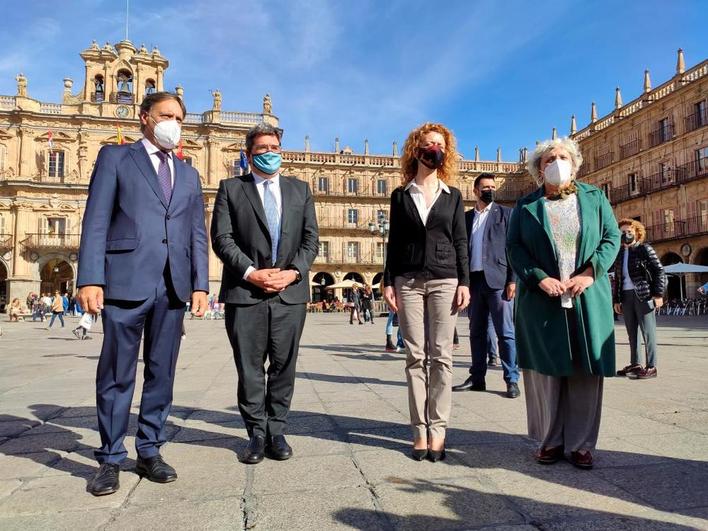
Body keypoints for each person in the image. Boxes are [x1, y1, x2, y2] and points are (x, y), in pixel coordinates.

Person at [77, 91, 209, 496]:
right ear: (145, 118)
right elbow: (96, 218)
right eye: (166, 115)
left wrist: (201, 284)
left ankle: (149, 448)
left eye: (179, 118)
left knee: (162, 373)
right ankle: (111, 458)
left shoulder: (189, 173)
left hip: (172, 286)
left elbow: (195, 233)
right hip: (125, 280)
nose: (174, 122)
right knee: (117, 374)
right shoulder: (116, 158)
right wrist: (89, 277)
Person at [507, 137, 620, 470]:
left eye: (562, 157)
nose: (556, 163)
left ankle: (582, 445)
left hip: (587, 294)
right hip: (542, 298)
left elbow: (611, 238)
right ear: (538, 170)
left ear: (574, 162)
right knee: (547, 370)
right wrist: (539, 277)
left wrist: (589, 273)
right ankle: (550, 441)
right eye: (548, 159)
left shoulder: (595, 198)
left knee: (586, 367)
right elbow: (514, 248)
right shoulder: (525, 206)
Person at [211, 122, 318, 465]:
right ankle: (256, 432)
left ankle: (278, 430)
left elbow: (310, 239)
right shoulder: (231, 189)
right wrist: (251, 273)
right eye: (262, 149)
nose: (270, 154)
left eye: (275, 148)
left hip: (290, 293)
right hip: (246, 292)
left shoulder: (300, 190)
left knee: (284, 366)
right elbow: (222, 238)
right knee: (250, 366)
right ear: (248, 154)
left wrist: (293, 272)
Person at [383, 122, 470, 462]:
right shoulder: (400, 195)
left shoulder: (453, 195)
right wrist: (387, 280)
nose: (435, 148)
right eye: (429, 143)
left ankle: (439, 429)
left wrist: (464, 282)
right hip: (408, 281)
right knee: (415, 357)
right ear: (416, 148)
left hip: (445, 279)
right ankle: (419, 430)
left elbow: (461, 241)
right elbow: (395, 241)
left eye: (440, 144)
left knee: (442, 357)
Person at [452, 173, 520, 398]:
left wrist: (512, 280)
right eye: (485, 187)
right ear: (475, 191)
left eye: (493, 187)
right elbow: (460, 249)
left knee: (506, 332)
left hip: (498, 281)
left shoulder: (506, 214)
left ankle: (511, 379)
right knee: (476, 331)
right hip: (474, 281)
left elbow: (514, 249)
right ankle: (477, 378)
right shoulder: (466, 218)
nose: (490, 190)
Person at [613, 219, 665, 379]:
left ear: (637, 232)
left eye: (629, 231)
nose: (626, 234)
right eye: (622, 232)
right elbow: (618, 278)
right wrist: (616, 299)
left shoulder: (644, 249)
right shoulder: (620, 253)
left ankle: (652, 366)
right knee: (631, 332)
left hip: (643, 294)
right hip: (626, 296)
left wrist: (658, 294)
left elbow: (659, 271)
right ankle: (635, 363)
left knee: (648, 332)